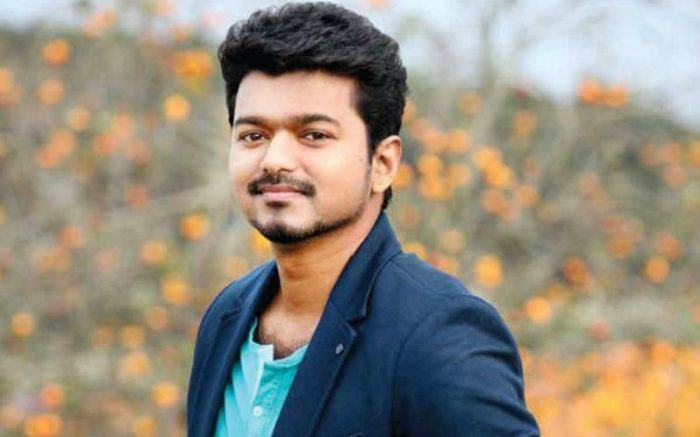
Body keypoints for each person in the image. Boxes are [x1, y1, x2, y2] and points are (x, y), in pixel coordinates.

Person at [186, 2, 540, 436]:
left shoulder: (439, 335)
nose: (274, 159)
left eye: (314, 135)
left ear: (383, 163)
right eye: (253, 135)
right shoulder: (227, 317)